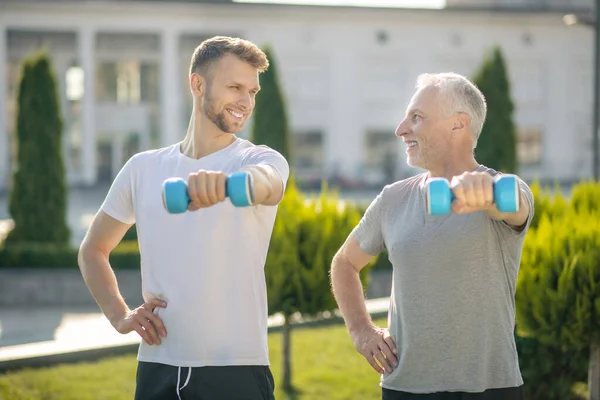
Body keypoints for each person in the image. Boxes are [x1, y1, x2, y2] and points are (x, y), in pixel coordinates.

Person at [78, 36, 289, 400]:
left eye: (252, 91)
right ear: (197, 84)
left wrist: (226, 185)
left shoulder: (256, 160)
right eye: (235, 87)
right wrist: (120, 316)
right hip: (157, 366)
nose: (246, 101)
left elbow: (270, 185)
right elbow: (93, 249)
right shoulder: (143, 168)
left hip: (236, 369)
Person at [330, 72, 534, 400]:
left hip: (490, 388)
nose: (401, 129)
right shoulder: (392, 199)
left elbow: (515, 208)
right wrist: (361, 331)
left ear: (458, 125)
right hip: (405, 387)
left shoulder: (505, 189)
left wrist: (487, 196)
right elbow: (344, 263)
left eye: (417, 118)